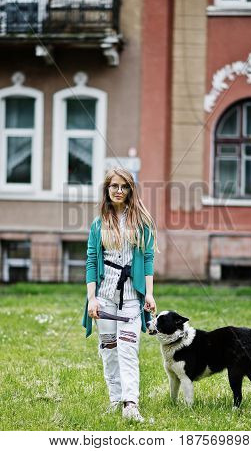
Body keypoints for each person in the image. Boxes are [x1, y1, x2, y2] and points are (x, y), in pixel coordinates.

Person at [82, 168, 159, 422]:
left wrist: (149, 294)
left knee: (128, 348)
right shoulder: (98, 224)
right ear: (107, 189)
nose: (118, 191)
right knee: (109, 349)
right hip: (104, 296)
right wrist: (92, 298)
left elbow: (147, 259)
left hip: (130, 296)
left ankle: (131, 404)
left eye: (124, 187)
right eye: (114, 186)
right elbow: (92, 261)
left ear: (130, 190)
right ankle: (115, 400)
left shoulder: (141, 223)